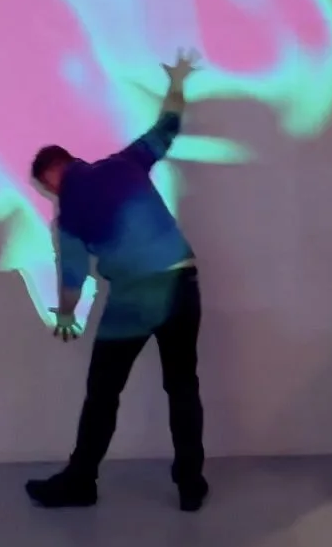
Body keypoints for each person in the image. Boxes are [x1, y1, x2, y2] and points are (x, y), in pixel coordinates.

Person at [24, 48, 208, 512]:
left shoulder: (68, 216)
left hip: (136, 297)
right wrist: (178, 81)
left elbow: (73, 276)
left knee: (104, 392)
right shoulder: (124, 164)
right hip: (184, 280)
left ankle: (81, 480)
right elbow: (167, 128)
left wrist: (66, 314)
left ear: (49, 178)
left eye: (45, 187)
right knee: (182, 384)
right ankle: (191, 485)